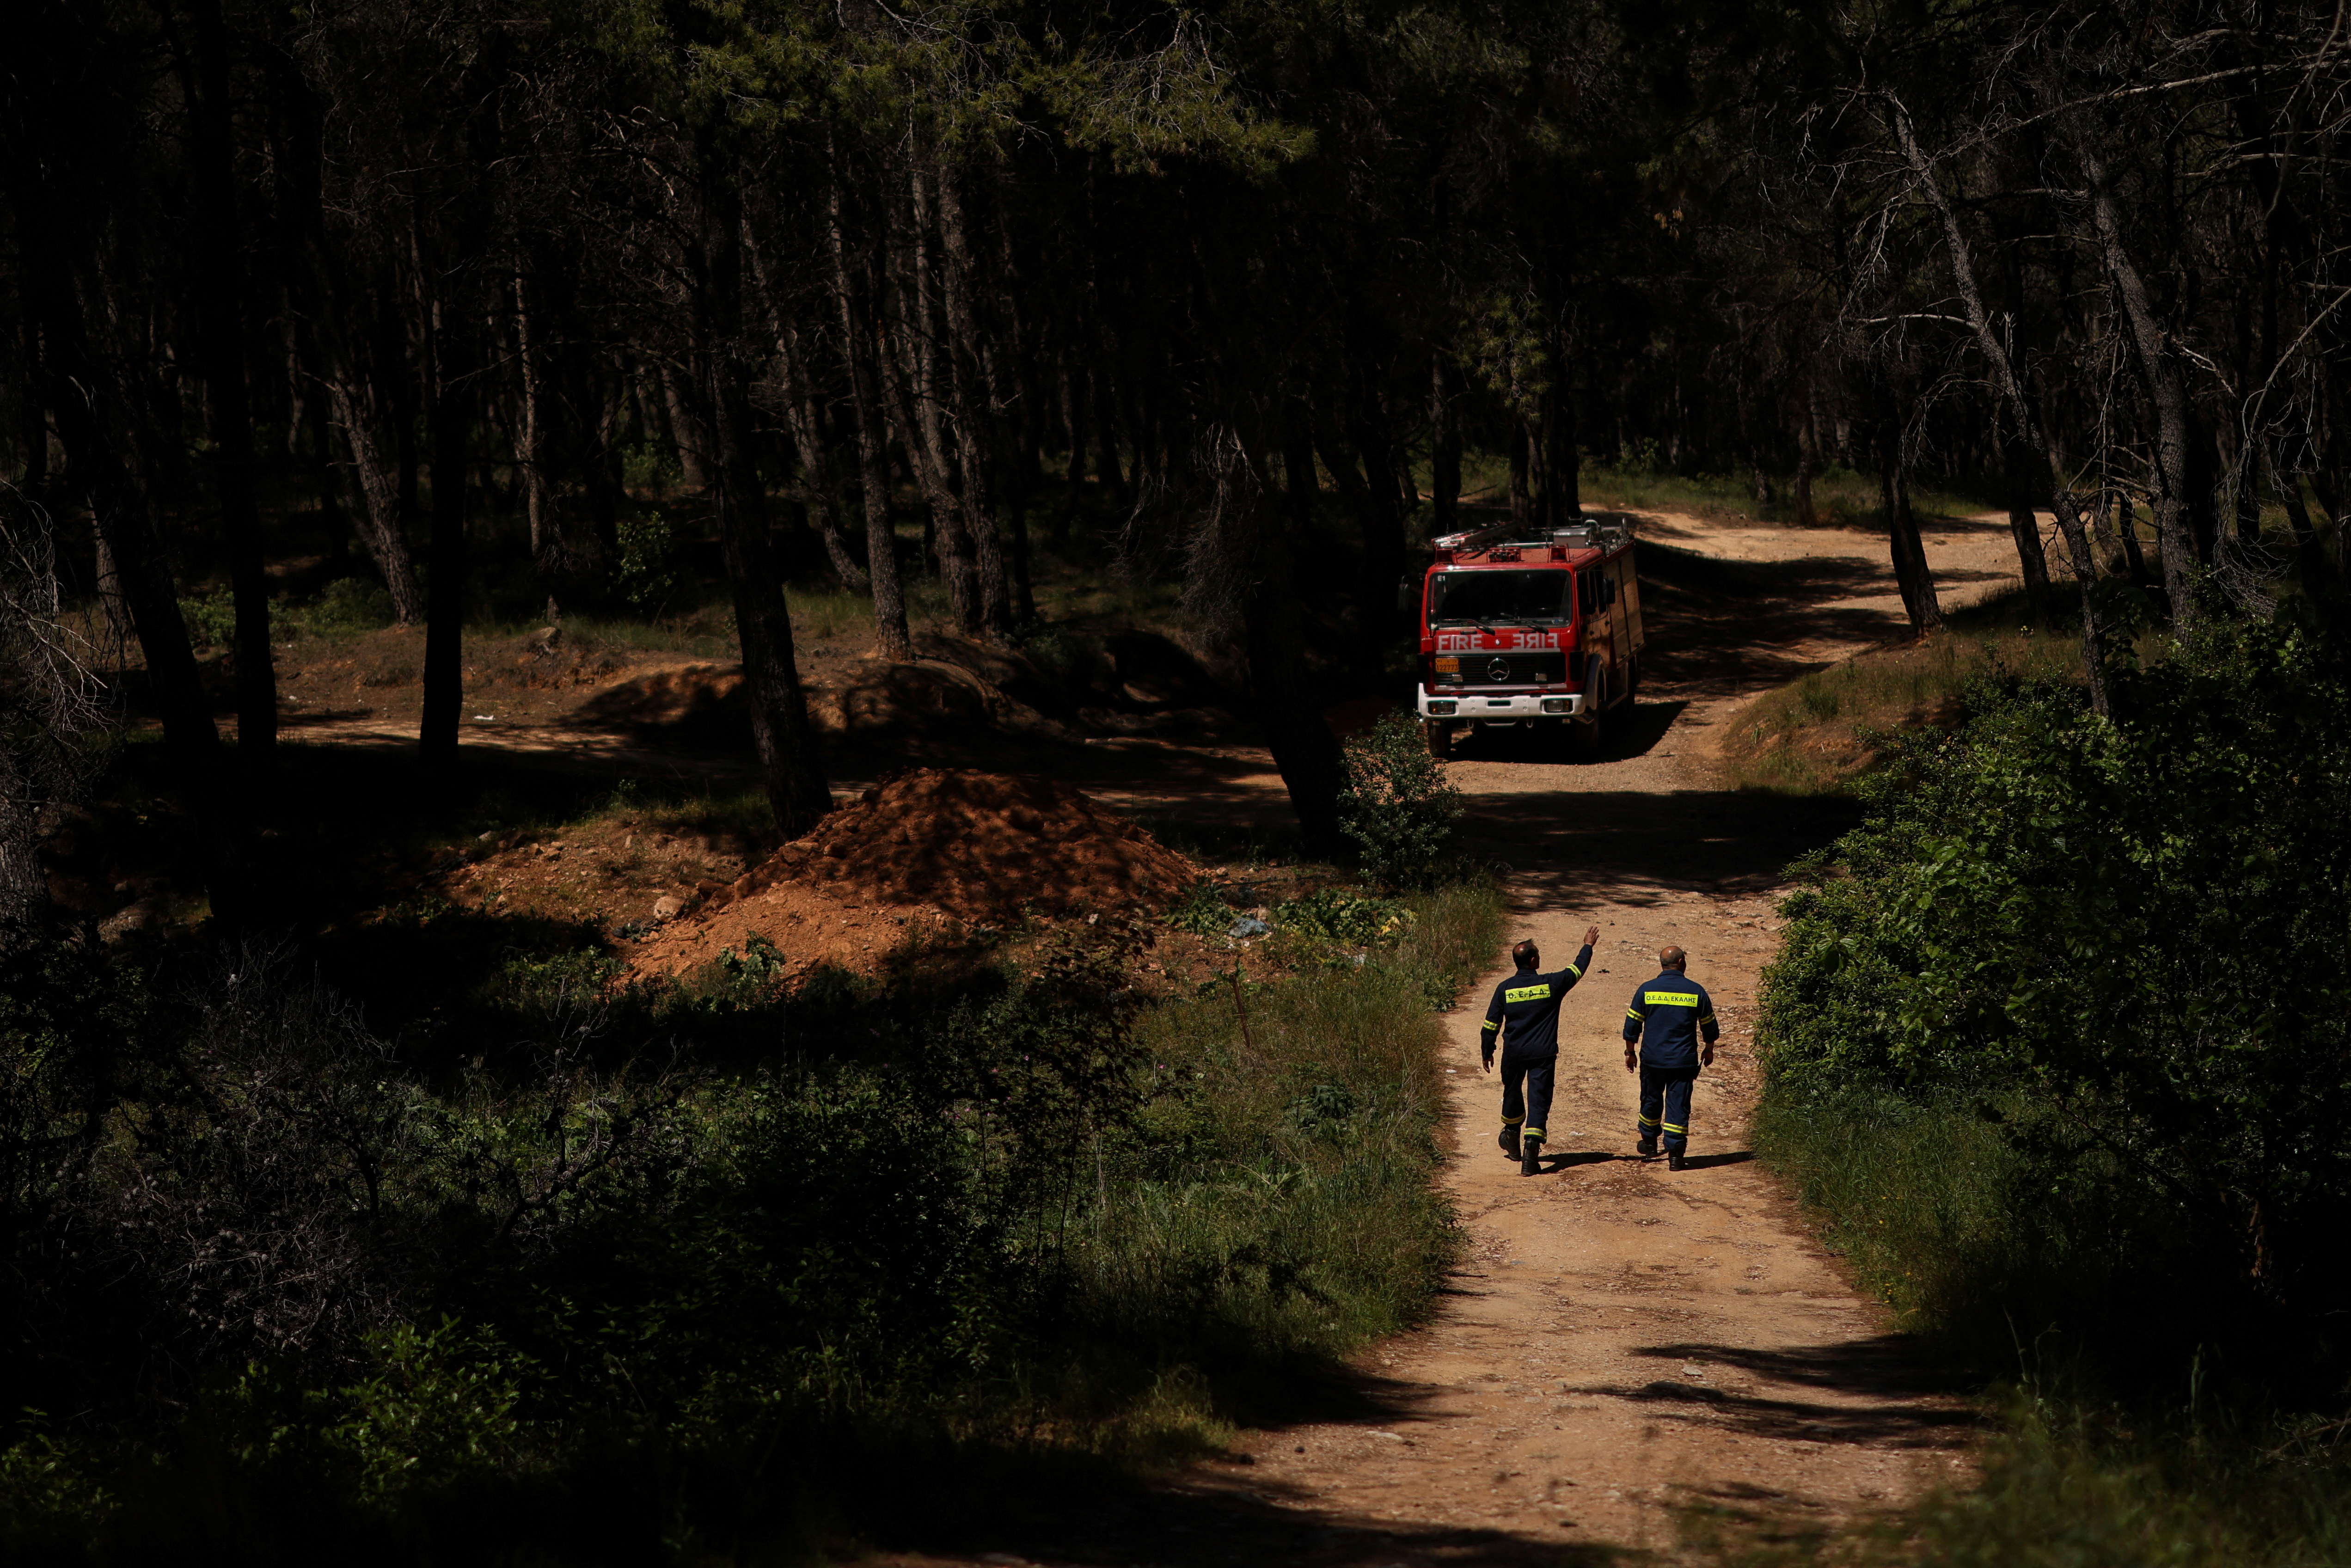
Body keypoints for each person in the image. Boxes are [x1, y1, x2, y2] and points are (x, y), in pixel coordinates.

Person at [1480, 925, 1600, 1176]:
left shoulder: (1505, 988)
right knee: (1539, 1101)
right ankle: (1530, 1157)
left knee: (1512, 1093)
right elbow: (1576, 970)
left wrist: (1487, 1050)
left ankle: (1512, 1139)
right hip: (1542, 1055)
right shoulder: (1551, 984)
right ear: (1533, 960)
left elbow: (1491, 1023)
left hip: (1513, 1054)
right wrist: (1587, 945)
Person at [1622, 945, 1720, 1171]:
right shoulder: (1696, 992)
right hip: (1683, 1062)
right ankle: (1676, 1156)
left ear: (1662, 964)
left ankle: (1649, 1145)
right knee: (1678, 1106)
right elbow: (1710, 1026)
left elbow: (1632, 1027)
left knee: (1650, 1100)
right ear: (1682, 962)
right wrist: (1709, 1049)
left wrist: (1630, 1053)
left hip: (1653, 1060)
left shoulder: (1647, 990)